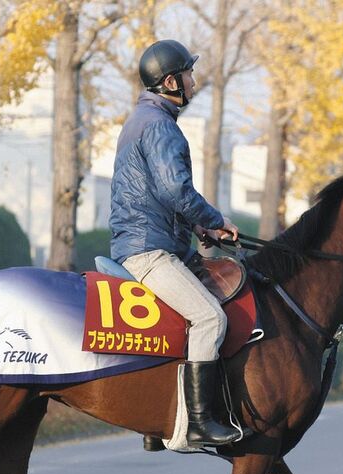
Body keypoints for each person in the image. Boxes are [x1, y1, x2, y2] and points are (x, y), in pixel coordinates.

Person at [109, 39, 241, 447]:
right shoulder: (162, 125)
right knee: (210, 320)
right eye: (188, 74)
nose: (193, 81)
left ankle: (157, 424)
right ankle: (196, 425)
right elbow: (174, 190)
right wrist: (214, 220)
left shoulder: (141, 119)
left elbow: (160, 194)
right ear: (170, 81)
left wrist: (201, 229)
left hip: (145, 241)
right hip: (149, 251)